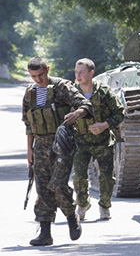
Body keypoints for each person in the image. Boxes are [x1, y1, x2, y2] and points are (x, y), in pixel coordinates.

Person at [22, 56, 93, 246]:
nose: (38, 79)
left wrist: (76, 114)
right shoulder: (30, 93)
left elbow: (85, 105)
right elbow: (29, 123)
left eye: (41, 75)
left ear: (47, 69)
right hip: (40, 146)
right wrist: (29, 150)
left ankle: (71, 217)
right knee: (43, 188)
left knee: (58, 184)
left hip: (61, 144)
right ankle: (45, 232)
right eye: (34, 76)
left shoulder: (62, 87)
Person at [72, 58, 125, 221]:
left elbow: (120, 112)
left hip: (102, 141)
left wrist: (105, 124)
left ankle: (104, 205)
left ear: (91, 73)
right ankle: (82, 204)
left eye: (82, 72)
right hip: (80, 141)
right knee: (79, 176)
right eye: (76, 72)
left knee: (107, 177)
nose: (78, 75)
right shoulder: (71, 92)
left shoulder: (104, 92)